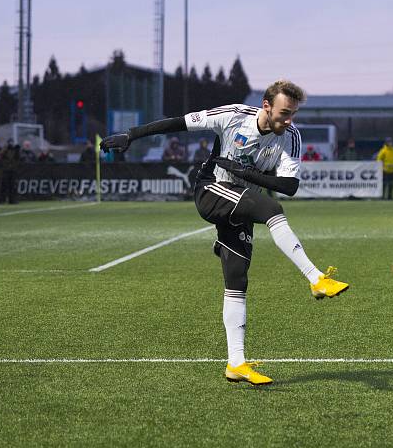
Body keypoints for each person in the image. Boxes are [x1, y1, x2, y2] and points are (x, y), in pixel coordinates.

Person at [100, 79, 349, 386]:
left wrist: (247, 174)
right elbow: (179, 123)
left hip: (241, 200)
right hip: (211, 190)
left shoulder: (291, 137)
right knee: (272, 211)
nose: (289, 120)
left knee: (237, 280)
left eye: (293, 114)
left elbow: (290, 186)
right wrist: (132, 135)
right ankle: (316, 279)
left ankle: (236, 364)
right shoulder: (233, 115)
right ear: (267, 106)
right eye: (285, 113)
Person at [0, 140, 20, 204]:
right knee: (5, 185)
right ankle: (3, 199)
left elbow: (18, 158)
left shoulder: (14, 150)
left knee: (13, 185)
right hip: (6, 170)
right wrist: (6, 148)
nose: (11, 144)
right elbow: (1, 155)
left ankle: (12, 200)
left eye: (12, 142)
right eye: (10, 143)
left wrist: (17, 150)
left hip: (13, 170)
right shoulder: (5, 149)